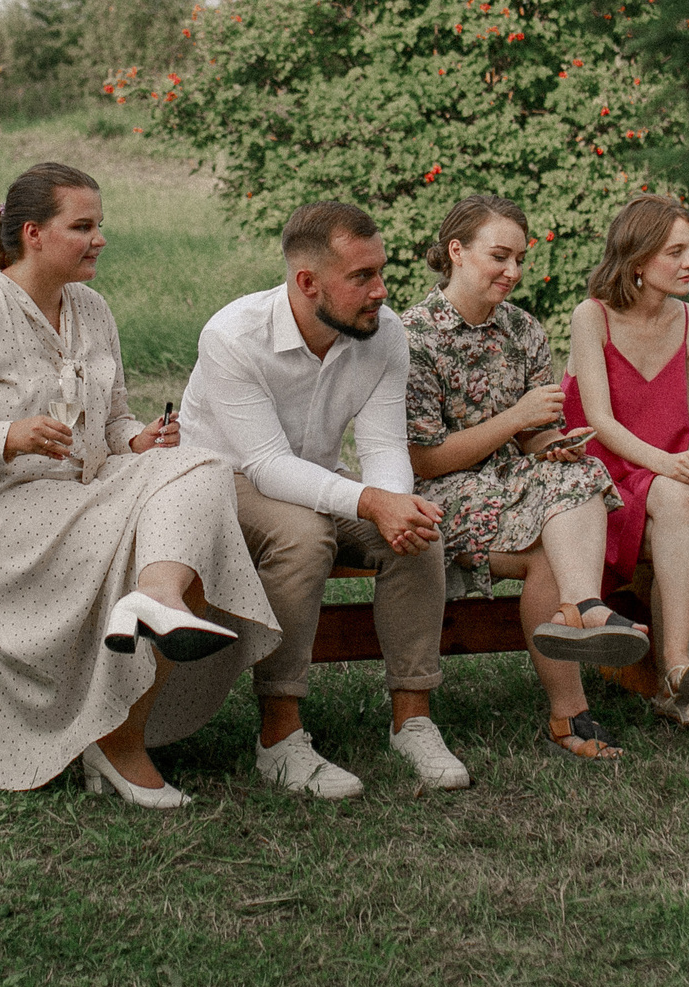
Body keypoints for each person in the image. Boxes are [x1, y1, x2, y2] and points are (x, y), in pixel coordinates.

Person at [0, 162, 279, 810]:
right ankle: (120, 740)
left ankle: (155, 599)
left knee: (202, 467)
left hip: (80, 488)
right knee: (164, 521)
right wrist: (6, 436)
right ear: (35, 234)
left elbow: (115, 412)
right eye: (84, 226)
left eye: (100, 224)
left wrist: (136, 439)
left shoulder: (92, 309)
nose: (99, 238)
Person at [179, 201, 472, 798]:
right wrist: (370, 503)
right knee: (304, 536)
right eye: (361, 277)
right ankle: (279, 737)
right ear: (307, 282)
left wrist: (394, 509)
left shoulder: (384, 332)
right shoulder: (232, 335)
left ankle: (413, 720)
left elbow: (385, 447)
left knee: (417, 532)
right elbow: (264, 466)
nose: (381, 291)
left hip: (316, 478)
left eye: (381, 271)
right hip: (220, 482)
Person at [401, 194, 654, 761]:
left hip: (518, 488)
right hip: (440, 499)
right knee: (561, 514)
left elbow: (535, 437)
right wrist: (516, 419)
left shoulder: (523, 330)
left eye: (519, 258)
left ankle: (572, 671)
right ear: (457, 252)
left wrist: (551, 445)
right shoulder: (413, 336)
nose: (513, 272)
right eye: (499, 257)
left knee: (576, 480)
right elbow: (427, 460)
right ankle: (583, 622)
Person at [562, 193, 689, 730]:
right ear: (638, 260)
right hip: (598, 486)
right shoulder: (591, 317)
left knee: (675, 497)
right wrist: (668, 464)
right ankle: (673, 683)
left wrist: (678, 463)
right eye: (676, 252)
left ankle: (676, 671)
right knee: (673, 497)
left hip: (662, 485)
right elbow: (600, 421)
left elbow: (675, 411)